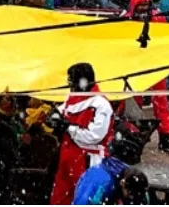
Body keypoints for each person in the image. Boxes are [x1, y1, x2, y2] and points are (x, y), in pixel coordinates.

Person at [48, 63, 113, 204]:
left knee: (83, 198)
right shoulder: (73, 97)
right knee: (60, 198)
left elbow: (94, 136)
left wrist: (68, 128)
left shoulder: (101, 104)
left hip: (87, 160)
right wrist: (53, 116)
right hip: (67, 157)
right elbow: (62, 111)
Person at [72, 141, 149, 205]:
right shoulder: (101, 180)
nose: (131, 197)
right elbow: (82, 202)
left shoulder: (133, 181)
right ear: (123, 182)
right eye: (129, 193)